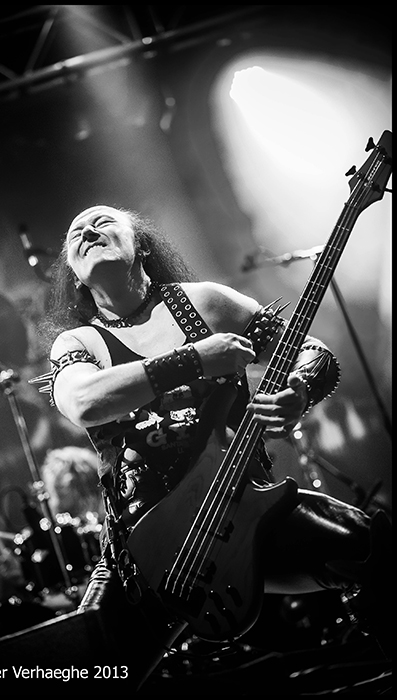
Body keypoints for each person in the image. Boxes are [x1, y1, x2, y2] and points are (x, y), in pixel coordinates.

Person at [31, 204, 391, 690]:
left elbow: (312, 352)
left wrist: (299, 390)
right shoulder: (79, 342)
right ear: (75, 275)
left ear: (141, 246)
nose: (87, 231)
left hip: (241, 514)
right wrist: (194, 359)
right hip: (144, 552)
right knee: (87, 674)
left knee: (374, 548)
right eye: (76, 232)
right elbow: (84, 401)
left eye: (103, 222)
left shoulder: (204, 303)